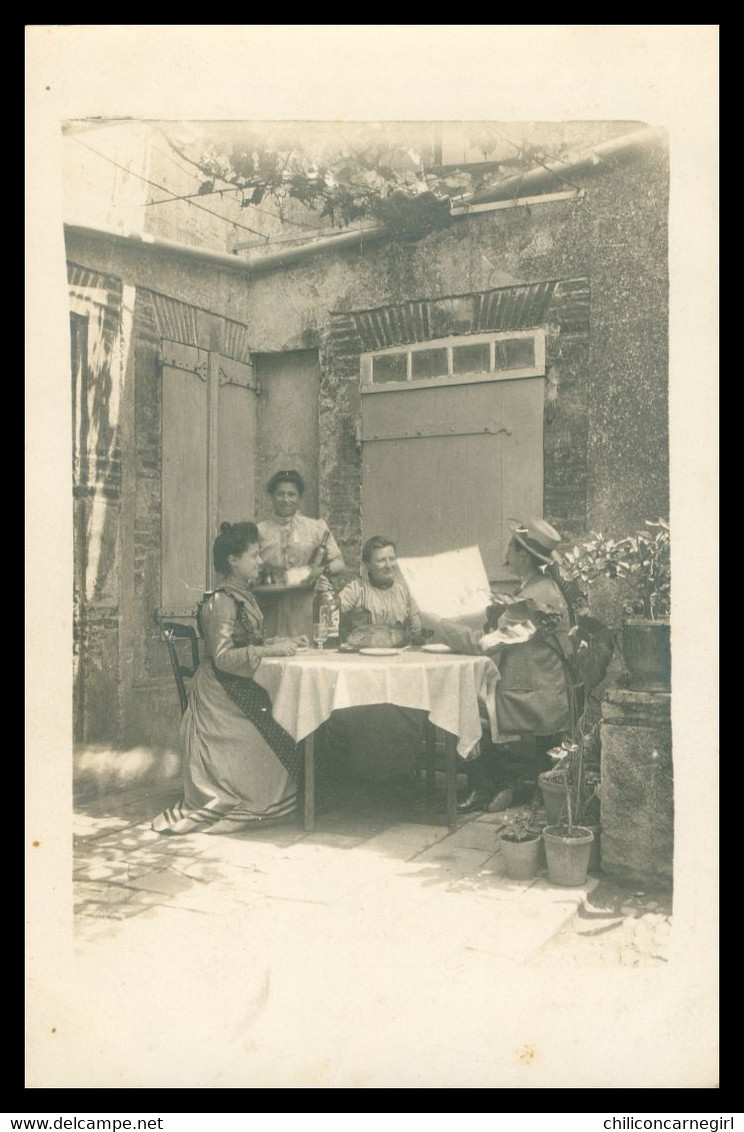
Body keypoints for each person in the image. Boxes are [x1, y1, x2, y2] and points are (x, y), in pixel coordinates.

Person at [152, 522, 308, 835]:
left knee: (284, 721)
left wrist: (281, 641)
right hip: (218, 696)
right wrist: (270, 649)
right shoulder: (221, 601)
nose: (260, 561)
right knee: (273, 733)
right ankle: (254, 798)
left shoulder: (241, 595)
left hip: (236, 686)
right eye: (254, 556)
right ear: (233, 561)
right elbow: (223, 658)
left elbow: (246, 638)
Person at [431, 518, 573, 813]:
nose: (506, 551)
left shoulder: (535, 597)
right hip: (541, 689)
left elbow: (485, 643)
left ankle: (488, 784)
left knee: (463, 704)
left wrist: (438, 624)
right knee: (472, 697)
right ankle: (504, 781)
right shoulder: (539, 588)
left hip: (533, 696)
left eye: (512, 546)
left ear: (523, 555)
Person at [317, 536, 425, 783]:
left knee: (403, 712)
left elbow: (417, 631)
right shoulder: (358, 588)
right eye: (381, 560)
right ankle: (364, 780)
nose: (388, 565)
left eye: (391, 558)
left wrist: (412, 636)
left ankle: (398, 776)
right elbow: (331, 613)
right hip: (362, 673)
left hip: (398, 670)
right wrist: (327, 595)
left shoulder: (405, 591)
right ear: (368, 566)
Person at [257, 470, 345, 639]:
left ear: (300, 498)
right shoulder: (260, 530)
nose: (286, 499)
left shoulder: (316, 528)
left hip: (307, 604)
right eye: (280, 494)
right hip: (271, 606)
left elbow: (339, 563)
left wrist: (319, 572)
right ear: (271, 497)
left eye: (291, 494)